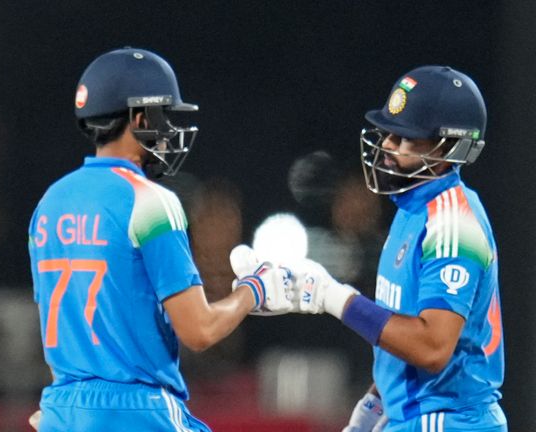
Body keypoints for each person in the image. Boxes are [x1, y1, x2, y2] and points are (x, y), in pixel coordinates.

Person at [27, 47, 289, 431]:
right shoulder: (150, 200)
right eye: (164, 116)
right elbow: (199, 330)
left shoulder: (50, 201)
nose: (168, 131)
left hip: (61, 411)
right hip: (137, 411)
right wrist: (255, 290)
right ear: (139, 117)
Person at [286, 66, 506, 431]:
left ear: (450, 148)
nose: (387, 144)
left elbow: (432, 348)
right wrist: (374, 403)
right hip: (416, 416)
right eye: (390, 132)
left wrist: (336, 298)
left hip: (445, 420)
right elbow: (402, 331)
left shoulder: (452, 223)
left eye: (406, 139)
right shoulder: (413, 209)